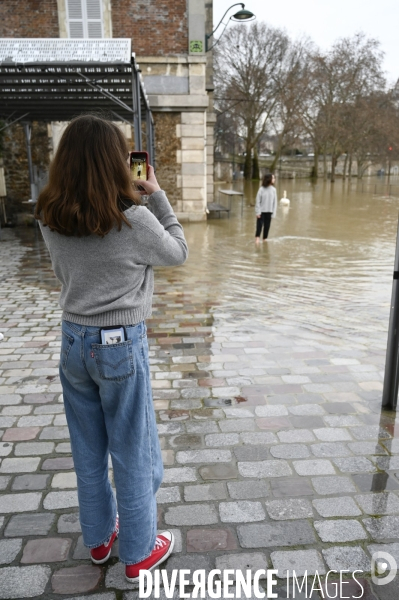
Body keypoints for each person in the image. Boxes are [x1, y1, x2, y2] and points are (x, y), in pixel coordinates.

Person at [34, 114, 188, 582]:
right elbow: (178, 251)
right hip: (119, 344)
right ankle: (139, 552)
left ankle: (100, 540)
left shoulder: (48, 215)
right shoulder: (134, 219)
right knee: (133, 450)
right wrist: (155, 193)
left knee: (87, 448)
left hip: (73, 341)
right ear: (114, 163)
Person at [255, 173, 277, 242]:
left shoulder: (274, 190)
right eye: (273, 178)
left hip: (269, 212)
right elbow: (257, 201)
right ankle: (257, 241)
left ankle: (264, 242)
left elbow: (275, 203)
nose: (274, 179)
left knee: (267, 228)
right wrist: (258, 212)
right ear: (269, 179)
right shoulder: (261, 189)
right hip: (261, 212)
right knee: (259, 228)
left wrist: (273, 213)